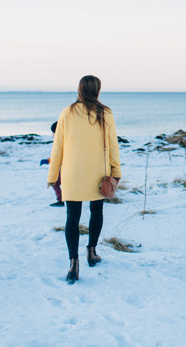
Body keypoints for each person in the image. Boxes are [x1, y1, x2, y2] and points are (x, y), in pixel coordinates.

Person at [47, 75, 121, 284]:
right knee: (96, 210)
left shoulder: (67, 112)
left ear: (79, 89)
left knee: (72, 216)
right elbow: (113, 145)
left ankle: (73, 263)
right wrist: (116, 172)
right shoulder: (105, 113)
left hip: (72, 172)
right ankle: (92, 251)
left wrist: (53, 176)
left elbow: (58, 147)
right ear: (97, 90)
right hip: (98, 171)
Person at [39, 122, 64, 207]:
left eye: (53, 132)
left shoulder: (61, 142)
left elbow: (58, 157)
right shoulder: (65, 140)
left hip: (64, 167)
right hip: (67, 167)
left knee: (55, 183)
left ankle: (61, 200)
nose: (52, 135)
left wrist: (48, 161)